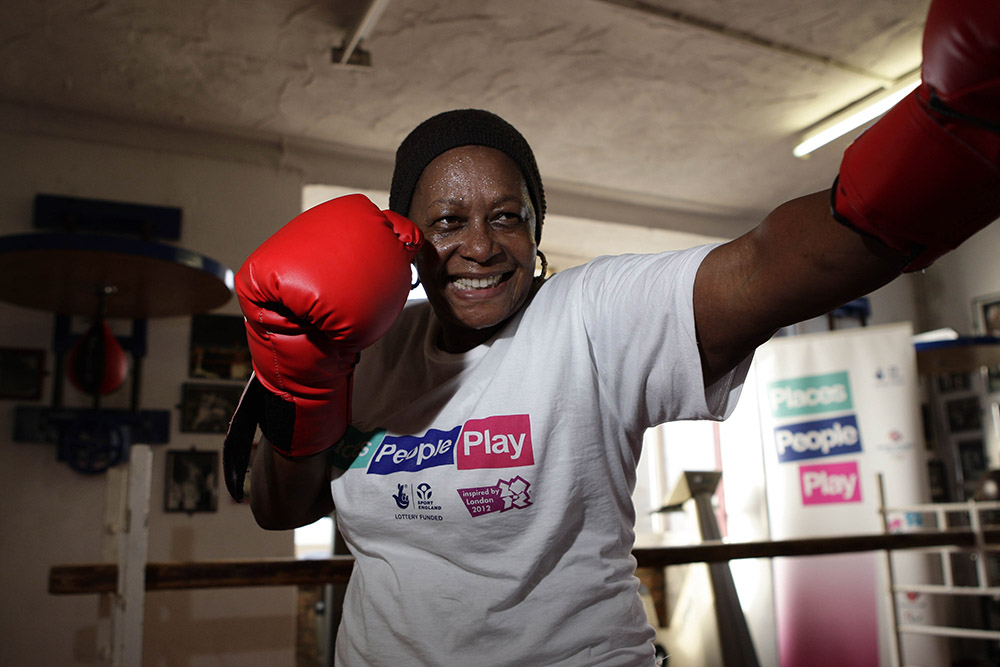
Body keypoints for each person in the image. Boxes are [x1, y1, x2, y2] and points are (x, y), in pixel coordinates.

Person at [223, 1, 999, 664]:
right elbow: (280, 508)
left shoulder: (588, 316)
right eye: (448, 221)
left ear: (536, 232)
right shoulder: (365, 344)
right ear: (407, 240)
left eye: (507, 218)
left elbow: (769, 266)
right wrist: (307, 378)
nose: (483, 245)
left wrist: (950, 147)